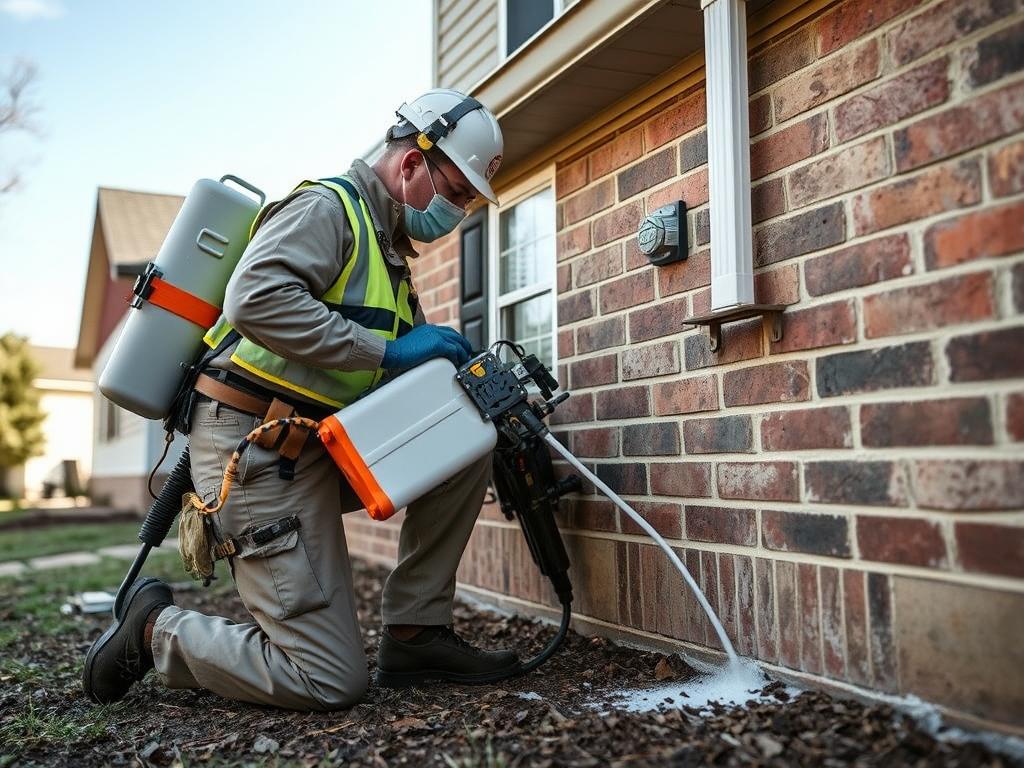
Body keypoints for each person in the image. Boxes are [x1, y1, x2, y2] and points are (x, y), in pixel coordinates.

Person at [83, 89, 516, 711]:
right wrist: (388, 352)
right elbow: (255, 298)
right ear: (412, 164)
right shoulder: (330, 208)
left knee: (463, 441)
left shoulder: (389, 253)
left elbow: (365, 373)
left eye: (469, 200)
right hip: (250, 448)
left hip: (313, 444)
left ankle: (416, 632)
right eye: (456, 191)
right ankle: (156, 631)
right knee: (328, 679)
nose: (459, 209)